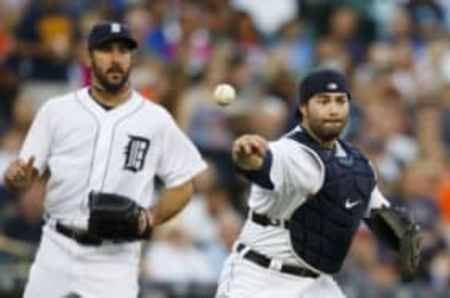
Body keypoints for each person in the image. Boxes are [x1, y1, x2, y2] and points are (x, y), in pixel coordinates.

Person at [3, 22, 207, 298]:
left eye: (123, 51)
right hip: (57, 247)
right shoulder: (56, 110)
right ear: (89, 56)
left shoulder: (155, 119)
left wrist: (151, 217)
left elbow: (184, 182)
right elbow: (22, 174)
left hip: (115, 258)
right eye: (106, 50)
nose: (115, 59)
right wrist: (17, 178)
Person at [215, 69, 420, 298]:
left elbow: (381, 217)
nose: (333, 109)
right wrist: (246, 154)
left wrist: (403, 236)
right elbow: (259, 164)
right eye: (323, 101)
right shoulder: (288, 151)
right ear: (303, 108)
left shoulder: (358, 165)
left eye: (340, 101)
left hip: (317, 285)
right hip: (260, 278)